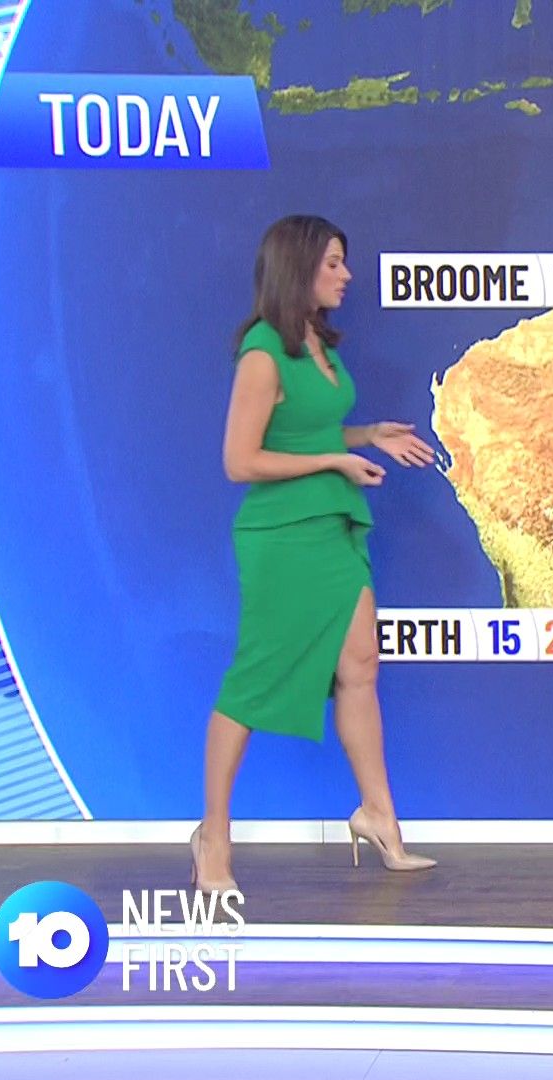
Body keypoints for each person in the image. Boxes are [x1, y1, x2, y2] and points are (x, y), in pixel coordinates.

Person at [191, 214, 437, 893]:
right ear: (297, 268)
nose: (346, 275)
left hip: (333, 525)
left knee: (360, 663)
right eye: (333, 263)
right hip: (282, 537)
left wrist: (367, 433)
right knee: (254, 680)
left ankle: (378, 816)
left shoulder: (315, 343)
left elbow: (307, 428)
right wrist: (334, 459)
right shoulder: (264, 353)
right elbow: (240, 460)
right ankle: (213, 836)